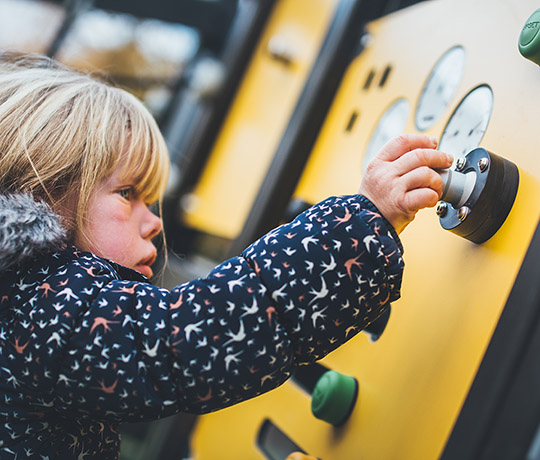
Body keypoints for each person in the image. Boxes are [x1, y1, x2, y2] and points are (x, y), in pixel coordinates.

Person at [0, 52, 452, 459]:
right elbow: (197, 334)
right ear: (47, 195)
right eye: (126, 193)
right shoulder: (41, 311)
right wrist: (359, 225)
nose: (154, 221)